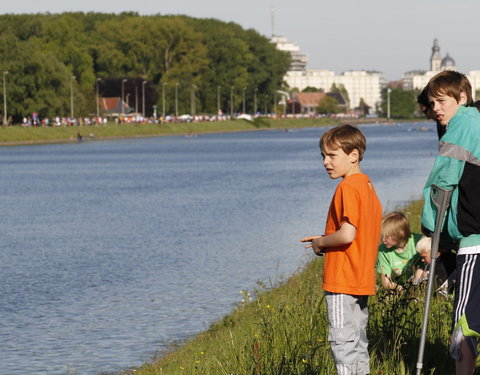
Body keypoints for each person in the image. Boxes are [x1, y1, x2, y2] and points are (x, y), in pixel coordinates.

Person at [300, 124, 382, 375]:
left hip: (342, 280)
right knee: (358, 341)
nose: (326, 162)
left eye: (332, 155)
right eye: (323, 156)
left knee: (341, 342)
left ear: (353, 155)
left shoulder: (347, 187)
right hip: (361, 278)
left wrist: (320, 243)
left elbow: (347, 235)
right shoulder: (367, 186)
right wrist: (326, 237)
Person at [421, 70, 480, 375]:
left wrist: (431, 233)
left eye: (442, 101)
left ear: (463, 98)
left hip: (474, 245)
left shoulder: (464, 124)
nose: (436, 109)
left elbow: (443, 181)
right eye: (432, 103)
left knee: (464, 326)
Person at [376, 212, 424, 290]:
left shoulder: (418, 241)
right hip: (398, 287)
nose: (383, 239)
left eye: (387, 236)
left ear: (400, 234)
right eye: (382, 235)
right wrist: (401, 288)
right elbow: (386, 283)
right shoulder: (383, 251)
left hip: (420, 282)